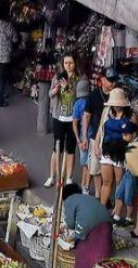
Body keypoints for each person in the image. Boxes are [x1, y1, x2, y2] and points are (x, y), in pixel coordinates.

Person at [60, 183, 112, 268]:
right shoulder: (87, 197)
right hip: (107, 223)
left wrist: (71, 233)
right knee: (102, 249)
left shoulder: (69, 200)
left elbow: (70, 223)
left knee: (83, 252)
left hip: (90, 227)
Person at [47, 55, 84, 188]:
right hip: (59, 117)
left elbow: (79, 97)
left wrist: (68, 87)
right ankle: (52, 176)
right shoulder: (57, 77)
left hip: (73, 119)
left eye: (71, 63)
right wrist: (55, 89)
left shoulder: (80, 79)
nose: (68, 65)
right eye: (66, 63)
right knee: (57, 148)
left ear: (75, 64)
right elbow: (50, 94)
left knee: (70, 149)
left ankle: (68, 177)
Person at [94, 88, 133, 209]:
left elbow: (131, 137)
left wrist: (126, 137)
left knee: (119, 183)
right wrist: (96, 145)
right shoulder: (107, 111)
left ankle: (116, 212)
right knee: (106, 181)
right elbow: (100, 129)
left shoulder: (130, 116)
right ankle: (101, 209)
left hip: (120, 153)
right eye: (114, 104)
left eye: (118, 104)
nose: (116, 106)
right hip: (106, 150)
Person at [79, 69, 113, 191]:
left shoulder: (117, 95)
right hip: (96, 137)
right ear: (102, 80)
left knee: (108, 171)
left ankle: (103, 195)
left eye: (114, 80)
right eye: (110, 80)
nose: (113, 83)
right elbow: (86, 116)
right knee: (95, 169)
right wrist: (84, 137)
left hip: (112, 138)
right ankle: (97, 194)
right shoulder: (93, 95)